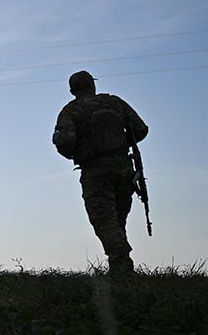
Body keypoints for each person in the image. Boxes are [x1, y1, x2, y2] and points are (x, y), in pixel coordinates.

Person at [53, 70, 148, 275]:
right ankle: (120, 267)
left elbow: (65, 142)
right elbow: (141, 129)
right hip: (124, 170)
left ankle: (121, 263)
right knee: (117, 219)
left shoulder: (71, 111)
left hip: (95, 172)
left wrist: (78, 151)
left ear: (72, 90)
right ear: (92, 85)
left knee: (104, 219)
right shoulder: (114, 102)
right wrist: (119, 143)